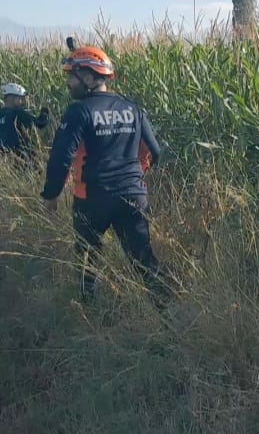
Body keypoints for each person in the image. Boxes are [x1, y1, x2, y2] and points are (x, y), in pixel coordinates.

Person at [39, 43, 171, 306]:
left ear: (89, 77)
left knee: (88, 260)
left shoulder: (78, 112)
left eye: (71, 76)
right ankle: (167, 313)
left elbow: (61, 158)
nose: (68, 82)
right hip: (133, 196)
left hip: (92, 199)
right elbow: (154, 151)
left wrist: (51, 195)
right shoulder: (132, 108)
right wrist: (135, 175)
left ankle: (90, 315)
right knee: (143, 260)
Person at [0, 83, 50, 157]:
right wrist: (45, 111)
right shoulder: (18, 112)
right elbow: (40, 123)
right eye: (21, 98)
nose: (23, 102)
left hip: (3, 155)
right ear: (13, 98)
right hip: (20, 155)